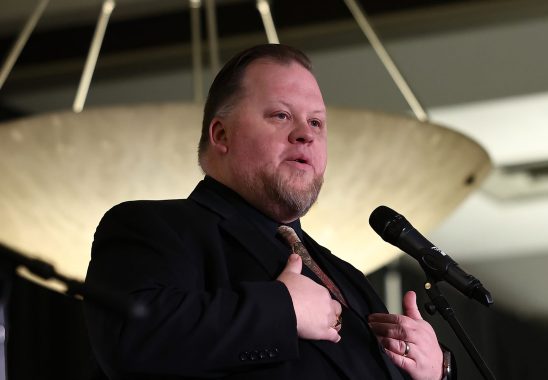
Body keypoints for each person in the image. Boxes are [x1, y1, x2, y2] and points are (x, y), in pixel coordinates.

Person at [84, 44, 453, 380]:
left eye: (316, 122)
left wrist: (436, 371)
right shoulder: (153, 227)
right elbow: (131, 339)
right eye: (280, 115)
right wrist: (282, 311)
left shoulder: (348, 277)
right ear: (221, 135)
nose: (305, 135)